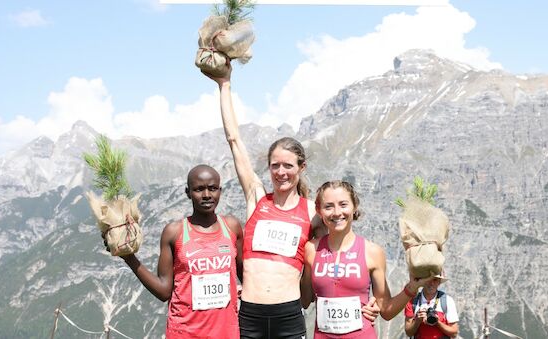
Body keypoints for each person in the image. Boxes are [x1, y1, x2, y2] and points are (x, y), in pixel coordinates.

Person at [204, 66, 379, 338]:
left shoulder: (313, 212)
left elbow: (339, 253)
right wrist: (224, 85)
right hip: (250, 312)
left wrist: (369, 301)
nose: (281, 172)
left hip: (289, 313)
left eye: (288, 165)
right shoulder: (257, 197)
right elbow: (234, 140)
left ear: (301, 167)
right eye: (275, 166)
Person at [114, 164, 244, 339]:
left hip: (226, 333)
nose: (206, 195)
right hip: (185, 333)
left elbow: (246, 277)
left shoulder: (232, 227)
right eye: (199, 189)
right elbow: (163, 291)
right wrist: (129, 258)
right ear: (188, 192)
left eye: (212, 188)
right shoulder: (174, 232)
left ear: (220, 190)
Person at [301, 180, 431, 338]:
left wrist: (411, 288)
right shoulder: (311, 250)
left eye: (343, 204)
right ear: (319, 210)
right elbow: (304, 300)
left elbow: (386, 310)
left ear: (354, 206)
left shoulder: (373, 252)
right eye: (328, 206)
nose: (336, 212)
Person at [404, 271, 459, 339]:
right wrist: (417, 321)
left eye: (435, 280)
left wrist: (437, 322)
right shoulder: (412, 302)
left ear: (439, 282)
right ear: (423, 281)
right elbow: (408, 332)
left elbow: (454, 333)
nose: (432, 283)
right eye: (428, 279)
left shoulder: (447, 301)